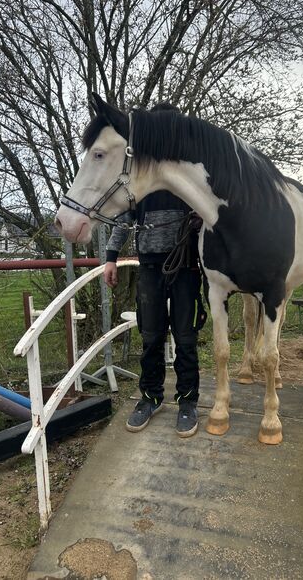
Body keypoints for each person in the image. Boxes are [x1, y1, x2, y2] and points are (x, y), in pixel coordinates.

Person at [103, 107, 205, 438]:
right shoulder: (141, 177)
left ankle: (188, 401)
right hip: (149, 265)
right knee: (150, 338)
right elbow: (123, 217)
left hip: (185, 265)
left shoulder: (187, 173)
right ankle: (150, 397)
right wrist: (110, 257)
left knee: (186, 338)